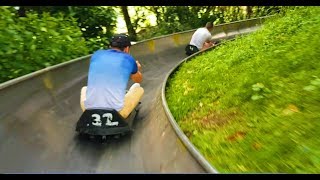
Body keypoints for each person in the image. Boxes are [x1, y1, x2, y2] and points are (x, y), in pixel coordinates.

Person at [80, 34, 144, 119]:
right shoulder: (128, 59)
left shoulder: (97, 56)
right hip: (116, 113)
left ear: (110, 46)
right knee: (138, 88)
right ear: (127, 49)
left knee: (85, 88)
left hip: (89, 111)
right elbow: (138, 80)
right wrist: (136, 69)